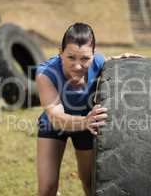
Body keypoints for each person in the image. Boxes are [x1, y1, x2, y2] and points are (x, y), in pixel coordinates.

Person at [36, 22, 142, 196]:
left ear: (93, 54)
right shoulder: (44, 73)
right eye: (71, 57)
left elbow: (110, 61)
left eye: (85, 58)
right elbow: (56, 116)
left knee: (91, 184)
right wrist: (85, 121)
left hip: (88, 125)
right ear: (60, 52)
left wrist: (123, 60)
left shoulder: (99, 62)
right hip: (55, 125)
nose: (78, 66)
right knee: (46, 189)